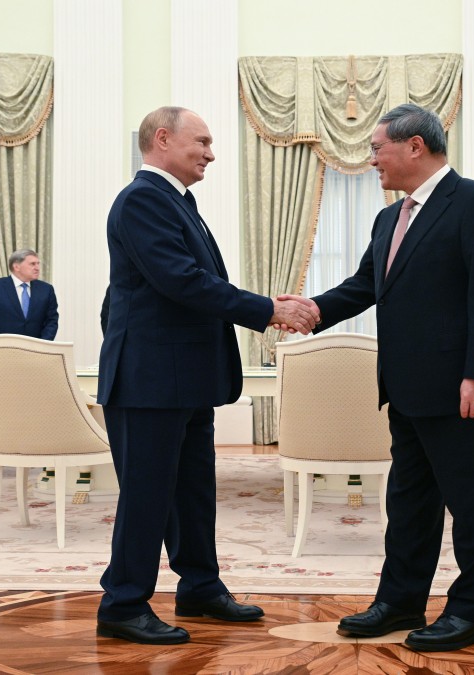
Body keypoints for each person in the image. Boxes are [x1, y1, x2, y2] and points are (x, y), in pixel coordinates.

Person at [94, 106, 319, 645]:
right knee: (147, 495)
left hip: (180, 377)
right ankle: (123, 603)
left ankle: (198, 586)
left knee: (192, 491)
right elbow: (183, 281)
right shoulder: (144, 198)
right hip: (149, 379)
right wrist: (269, 308)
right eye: (204, 141)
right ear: (164, 139)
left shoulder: (177, 202)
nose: (211, 153)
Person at [303, 104, 474, 652]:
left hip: (464, 390)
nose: (371, 158)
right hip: (406, 390)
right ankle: (400, 601)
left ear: (415, 146)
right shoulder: (389, 218)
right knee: (409, 504)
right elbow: (363, 285)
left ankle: (473, 612)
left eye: (377, 148)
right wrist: (309, 310)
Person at [0, 248, 59, 344]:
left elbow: (52, 321)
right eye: (32, 264)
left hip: (36, 352)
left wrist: (43, 344)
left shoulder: (46, 289)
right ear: (16, 267)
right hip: (2, 350)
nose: (37, 268)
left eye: (38, 263)